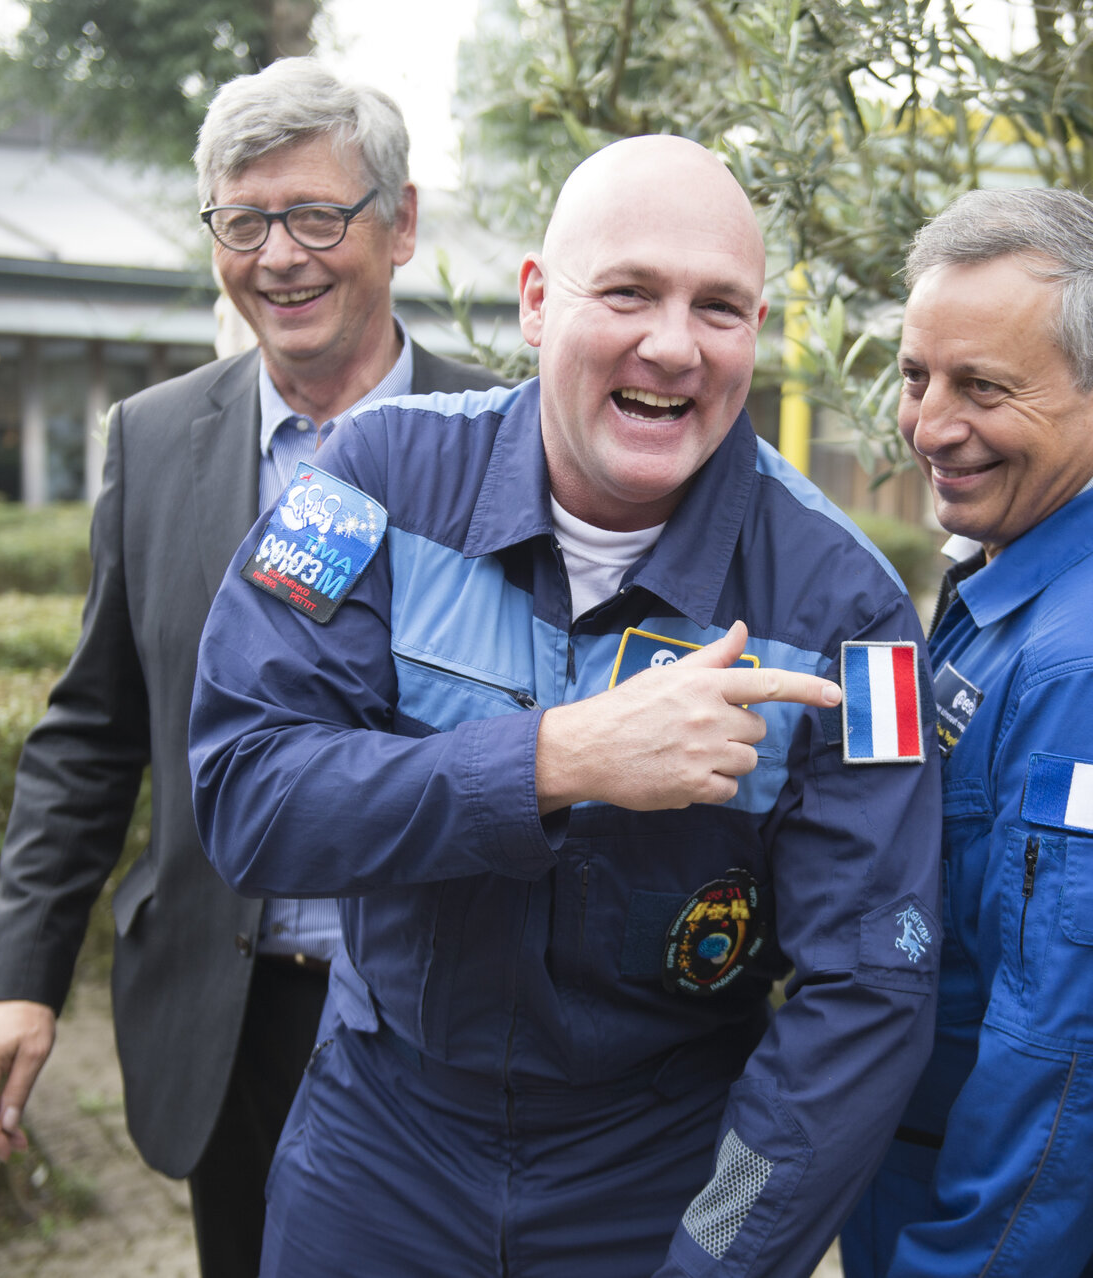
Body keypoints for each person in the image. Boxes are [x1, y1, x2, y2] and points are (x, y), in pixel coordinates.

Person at [187, 134, 942, 1277]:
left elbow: (871, 986)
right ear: (538, 302)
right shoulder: (368, 484)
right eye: (629, 292)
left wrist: (719, 1248)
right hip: (379, 1145)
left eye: (721, 308)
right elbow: (251, 794)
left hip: (659, 1170)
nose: (674, 346)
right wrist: (555, 760)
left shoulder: (853, 608)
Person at [0, 58, 504, 1277]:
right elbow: (94, 729)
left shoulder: (507, 443)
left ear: (401, 225)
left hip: (438, 1018)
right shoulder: (153, 441)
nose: (280, 256)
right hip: (227, 1014)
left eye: (317, 215)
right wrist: (19, 980)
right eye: (243, 222)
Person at [840, 188, 1093, 1278]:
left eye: (984, 388)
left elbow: (1064, 1058)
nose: (928, 424)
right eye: (917, 377)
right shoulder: (1024, 568)